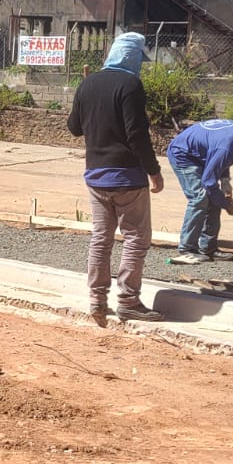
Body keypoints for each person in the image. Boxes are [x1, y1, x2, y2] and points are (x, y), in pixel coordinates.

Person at [68, 32, 165, 326]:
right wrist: (154, 171)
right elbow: (137, 134)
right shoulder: (131, 85)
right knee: (136, 238)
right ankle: (129, 302)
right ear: (133, 57)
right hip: (127, 178)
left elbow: (74, 127)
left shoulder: (88, 83)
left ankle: (97, 301)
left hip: (96, 176)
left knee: (101, 238)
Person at [166, 118, 233, 264]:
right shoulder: (227, 147)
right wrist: (226, 204)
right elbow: (209, 181)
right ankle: (187, 248)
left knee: (213, 197)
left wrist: (225, 180)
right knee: (200, 197)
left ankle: (208, 248)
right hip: (183, 154)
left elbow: (222, 156)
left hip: (201, 154)